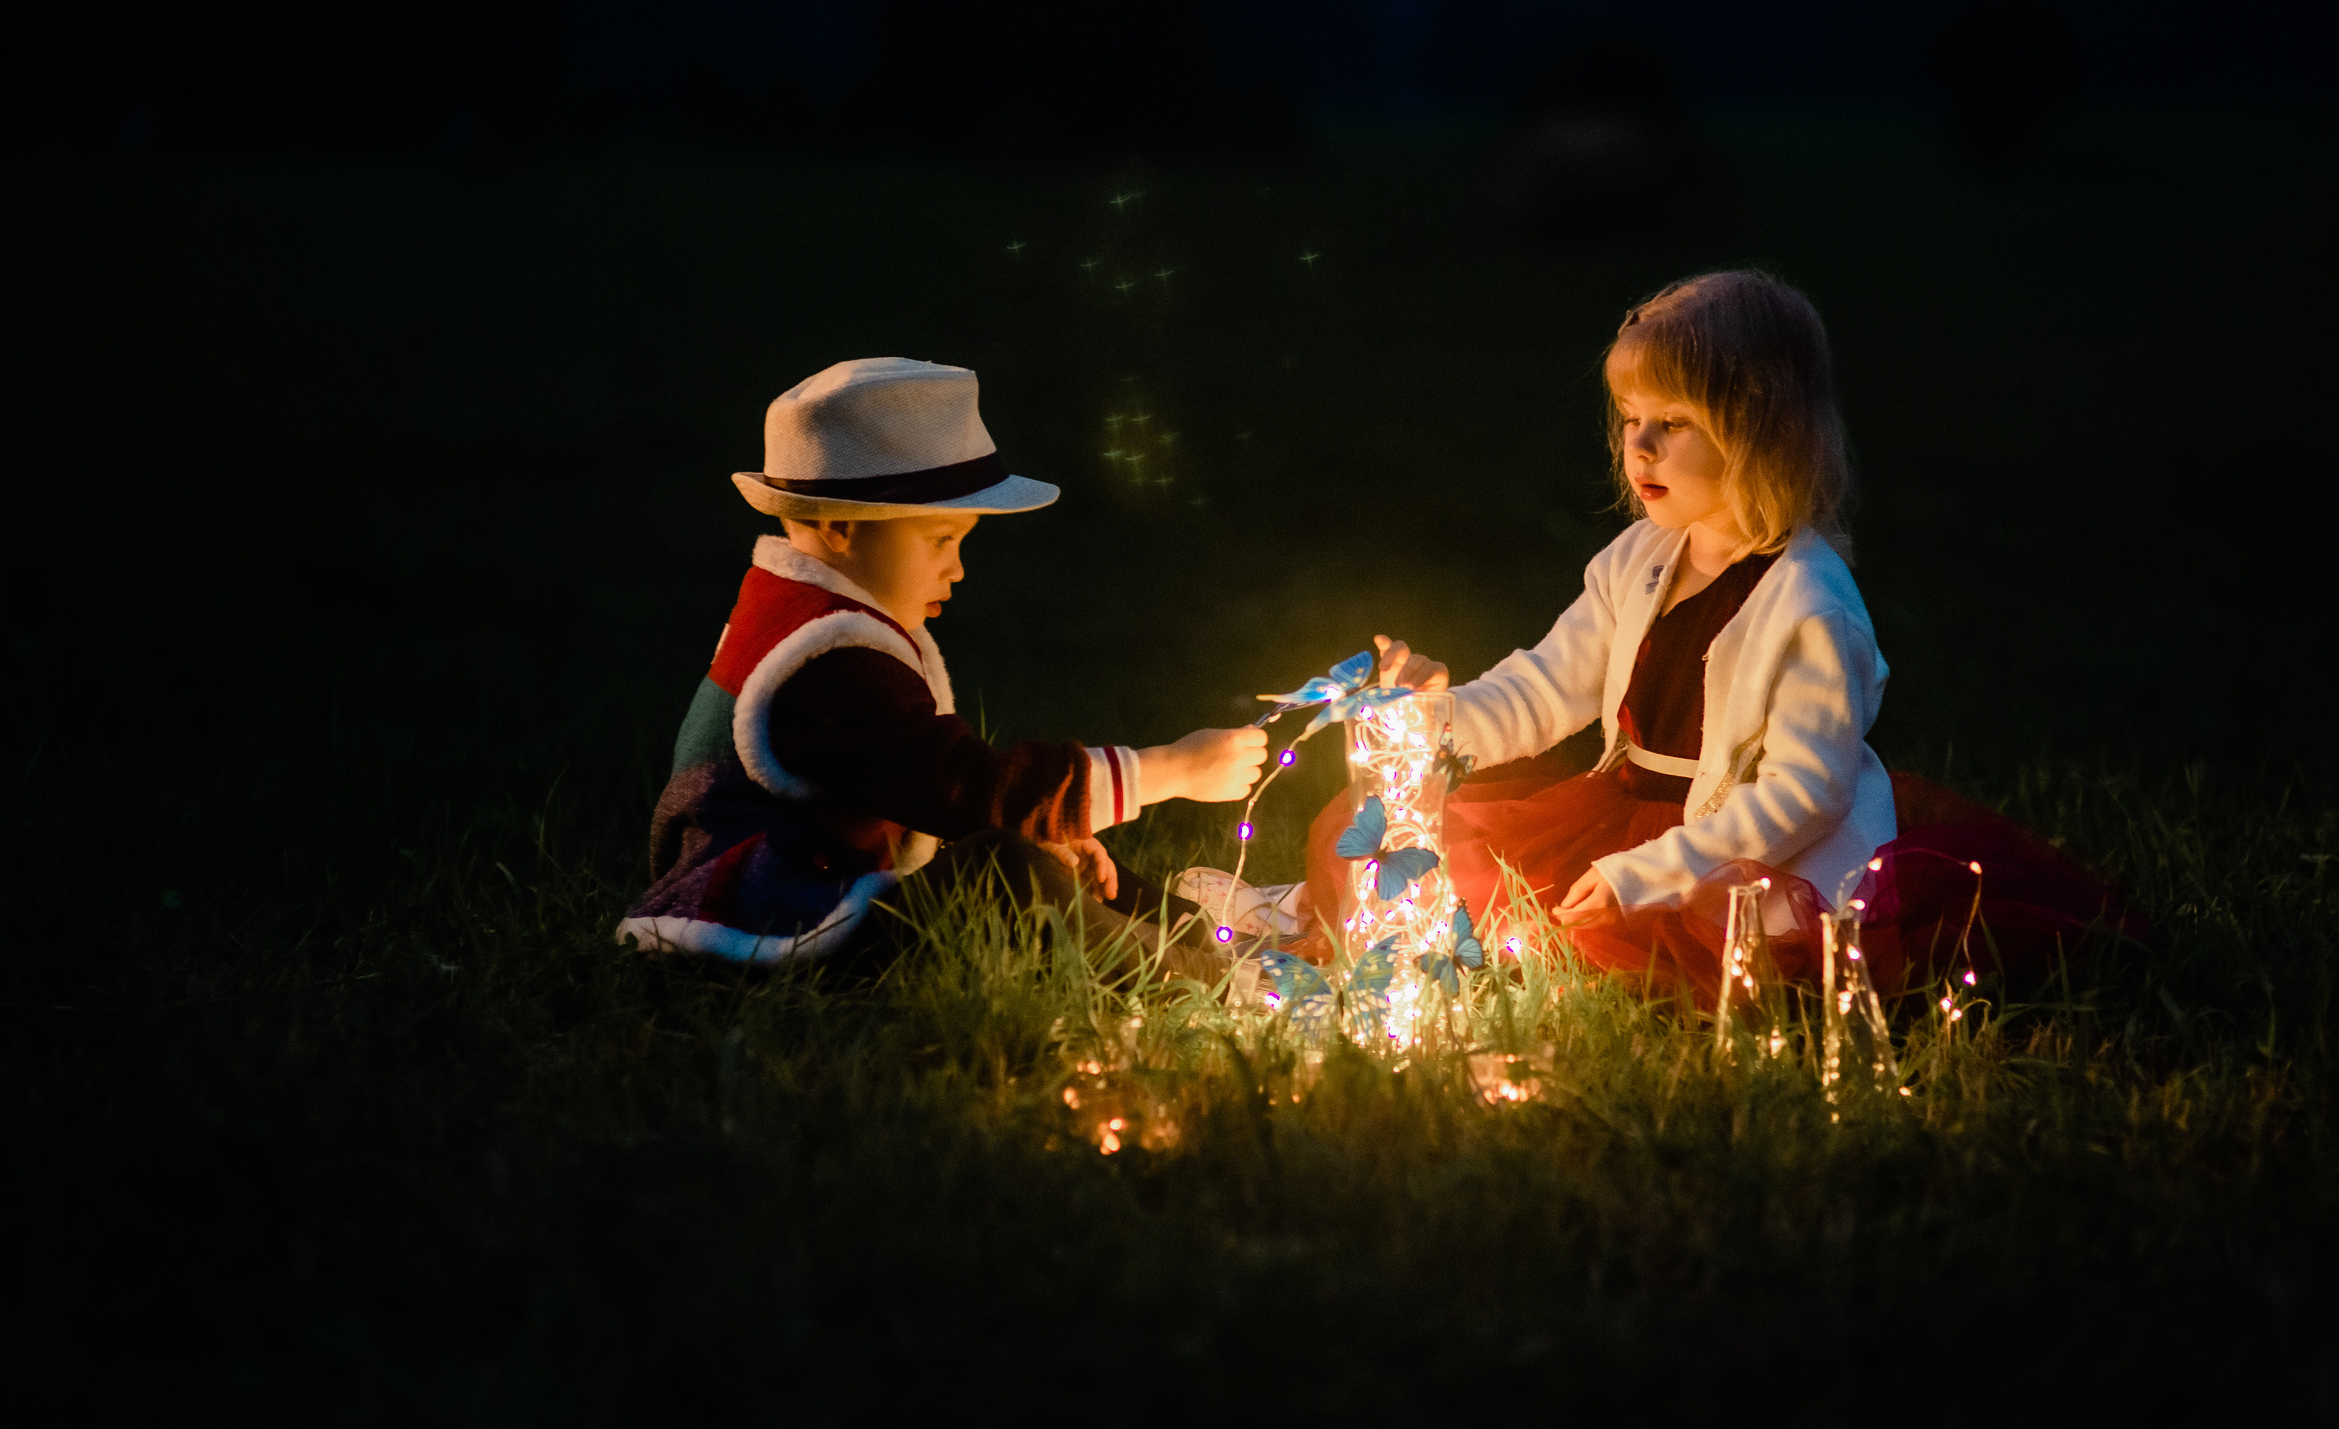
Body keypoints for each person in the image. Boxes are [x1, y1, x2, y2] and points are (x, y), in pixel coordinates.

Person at [1282, 270, 2125, 994]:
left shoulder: (1809, 605)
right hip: (1617, 819)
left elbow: (1803, 794)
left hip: (1738, 852)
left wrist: (1641, 875)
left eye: (1672, 423)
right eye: (1628, 418)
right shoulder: (1639, 560)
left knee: (1708, 944)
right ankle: (1292, 915)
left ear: (1758, 433)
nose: (1638, 447)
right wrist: (1429, 719)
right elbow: (1546, 685)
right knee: (1424, 851)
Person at [617, 357, 1266, 976]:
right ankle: (1218, 977)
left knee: (1041, 846)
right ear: (843, 525)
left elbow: (907, 789)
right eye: (940, 540)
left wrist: (1041, 828)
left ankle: (1207, 935)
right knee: (1005, 868)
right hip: (770, 929)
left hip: (816, 886)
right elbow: (965, 786)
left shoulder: (802, 613)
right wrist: (1171, 769)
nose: (956, 568)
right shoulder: (824, 658)